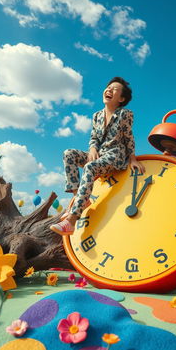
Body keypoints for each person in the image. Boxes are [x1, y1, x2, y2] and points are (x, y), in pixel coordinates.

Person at [50, 77, 145, 236]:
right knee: (69, 154)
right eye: (108, 87)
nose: (109, 90)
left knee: (89, 167)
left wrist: (133, 158)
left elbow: (129, 137)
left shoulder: (125, 114)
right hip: (99, 155)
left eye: (114, 89)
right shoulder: (96, 116)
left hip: (115, 155)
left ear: (121, 99)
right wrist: (93, 149)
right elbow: (94, 137)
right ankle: (80, 199)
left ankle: (72, 221)